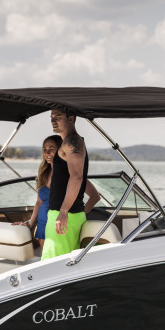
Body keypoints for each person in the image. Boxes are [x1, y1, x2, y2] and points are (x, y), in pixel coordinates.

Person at [15, 135, 101, 255]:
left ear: (61, 150)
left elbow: (95, 197)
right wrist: (29, 224)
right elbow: (39, 202)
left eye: (51, 148)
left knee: (60, 260)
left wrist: (79, 214)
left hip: (60, 224)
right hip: (43, 223)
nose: (47, 152)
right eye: (45, 149)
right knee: (46, 261)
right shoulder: (43, 173)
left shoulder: (71, 174)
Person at [40, 109, 92, 260]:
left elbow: (76, 177)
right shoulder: (70, 142)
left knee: (51, 266)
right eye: (51, 117)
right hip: (69, 215)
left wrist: (63, 211)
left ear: (71, 118)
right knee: (67, 264)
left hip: (64, 216)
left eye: (57, 117)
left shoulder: (72, 142)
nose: (53, 121)